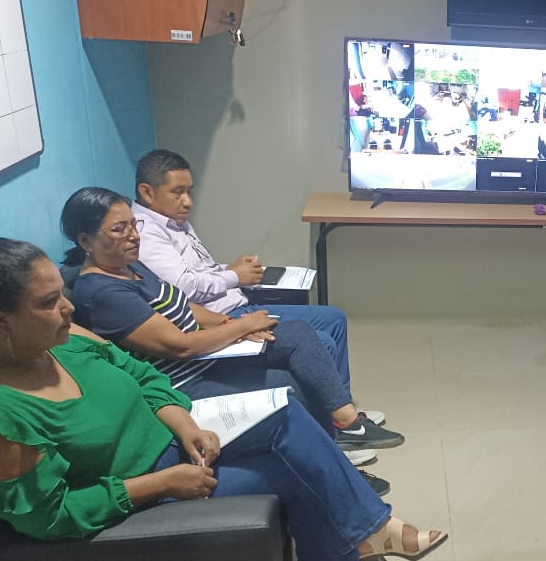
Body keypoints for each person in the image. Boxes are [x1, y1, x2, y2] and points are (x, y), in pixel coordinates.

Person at [0, 235, 446, 561]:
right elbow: (53, 517)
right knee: (293, 469)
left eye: (61, 294)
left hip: (175, 442)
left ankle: (358, 541)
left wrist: (184, 424)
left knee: (288, 413)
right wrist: (162, 482)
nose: (67, 307)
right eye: (48, 303)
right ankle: (350, 551)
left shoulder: (67, 341)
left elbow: (142, 374)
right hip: (142, 487)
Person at [60, 188, 402, 495]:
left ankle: (343, 431)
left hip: (205, 358)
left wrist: (232, 324)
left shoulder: (128, 265)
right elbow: (180, 345)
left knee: (298, 333)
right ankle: (339, 460)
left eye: (134, 225)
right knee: (290, 387)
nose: (133, 236)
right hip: (184, 381)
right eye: (119, 229)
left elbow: (183, 306)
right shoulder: (102, 292)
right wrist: (243, 327)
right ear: (86, 241)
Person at [130, 150, 388, 431]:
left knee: (334, 318)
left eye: (189, 191)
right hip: (219, 316)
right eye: (177, 192)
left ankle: (341, 409)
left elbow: (198, 270)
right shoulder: (146, 233)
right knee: (321, 340)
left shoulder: (172, 220)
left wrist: (230, 269)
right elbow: (184, 287)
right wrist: (234, 276)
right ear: (147, 192)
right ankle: (334, 421)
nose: (188, 201)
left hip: (235, 303)